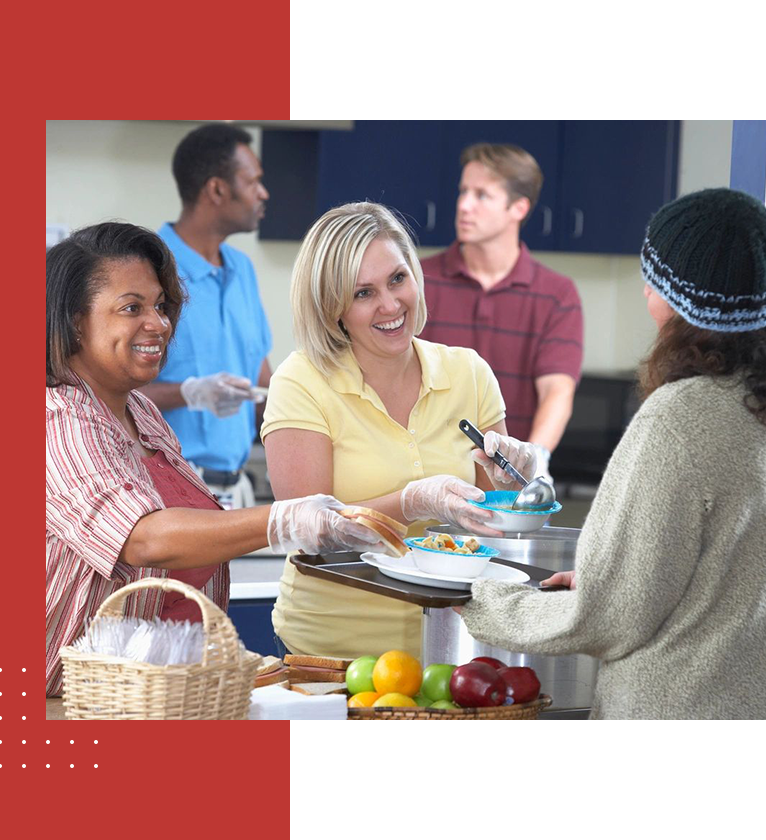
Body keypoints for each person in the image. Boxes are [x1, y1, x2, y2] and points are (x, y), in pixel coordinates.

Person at [457, 188, 766, 719]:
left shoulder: (677, 418)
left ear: (675, 297)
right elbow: (727, 573)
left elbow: (610, 617)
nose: (644, 286)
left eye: (653, 275)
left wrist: (482, 599)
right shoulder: (751, 404)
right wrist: (614, 577)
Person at [45, 222, 384, 696]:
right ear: (74, 321)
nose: (159, 324)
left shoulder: (140, 411)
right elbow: (142, 539)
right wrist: (283, 520)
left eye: (161, 306)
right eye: (131, 308)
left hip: (157, 692)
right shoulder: (57, 418)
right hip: (73, 698)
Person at [261, 202, 547, 659]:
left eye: (398, 279)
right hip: (332, 653)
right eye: (362, 293)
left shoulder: (469, 373)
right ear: (331, 306)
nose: (391, 305)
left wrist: (514, 485)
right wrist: (411, 500)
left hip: (450, 645)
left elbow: (489, 525)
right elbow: (307, 532)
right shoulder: (302, 381)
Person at [419, 143, 584, 471]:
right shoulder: (417, 280)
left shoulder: (557, 294)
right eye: (463, 191)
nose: (464, 205)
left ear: (518, 208)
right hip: (424, 473)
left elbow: (557, 391)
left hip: (507, 480)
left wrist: (534, 462)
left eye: (482, 195)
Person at [140, 124, 272, 509]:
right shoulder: (148, 268)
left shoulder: (242, 270)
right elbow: (104, 395)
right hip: (167, 491)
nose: (263, 194)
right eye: (254, 182)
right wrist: (188, 394)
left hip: (236, 490)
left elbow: (264, 381)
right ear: (217, 189)